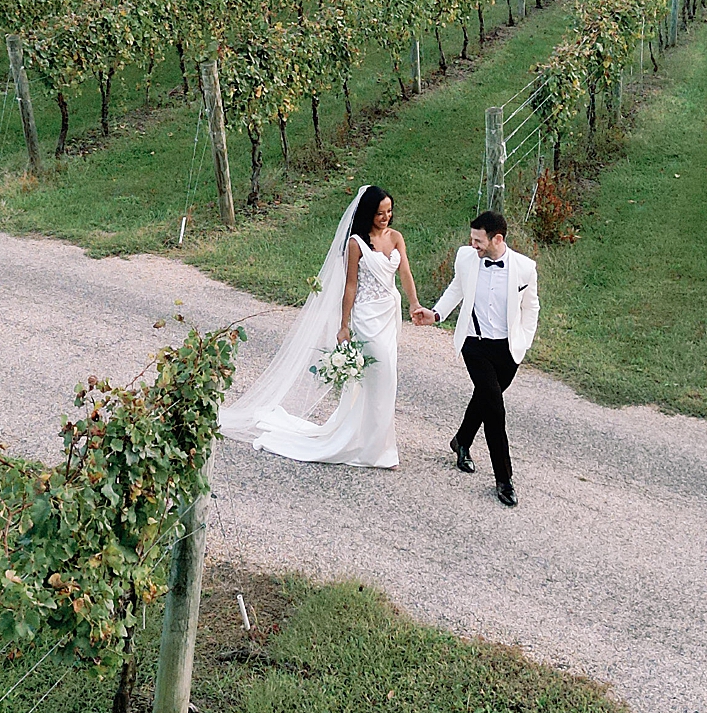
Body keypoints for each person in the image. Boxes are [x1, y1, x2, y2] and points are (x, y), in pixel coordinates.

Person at [218, 184, 423, 468]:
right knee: (381, 374)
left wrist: (414, 304)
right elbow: (350, 286)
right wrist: (343, 325)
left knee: (387, 379)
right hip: (366, 316)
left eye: (389, 211)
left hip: (389, 314)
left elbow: (405, 273)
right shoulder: (356, 244)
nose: (386, 217)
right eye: (380, 213)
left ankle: (376, 442)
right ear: (368, 213)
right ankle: (376, 448)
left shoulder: (396, 237)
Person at [418, 210, 539, 507]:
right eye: (472, 239)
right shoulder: (466, 258)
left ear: (497, 239)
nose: (473, 245)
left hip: (508, 350)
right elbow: (456, 289)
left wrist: (523, 342)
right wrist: (436, 314)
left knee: (485, 399)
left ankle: (461, 440)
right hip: (474, 344)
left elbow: (531, 307)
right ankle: (504, 480)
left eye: (478, 240)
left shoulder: (525, 268)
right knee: (495, 410)